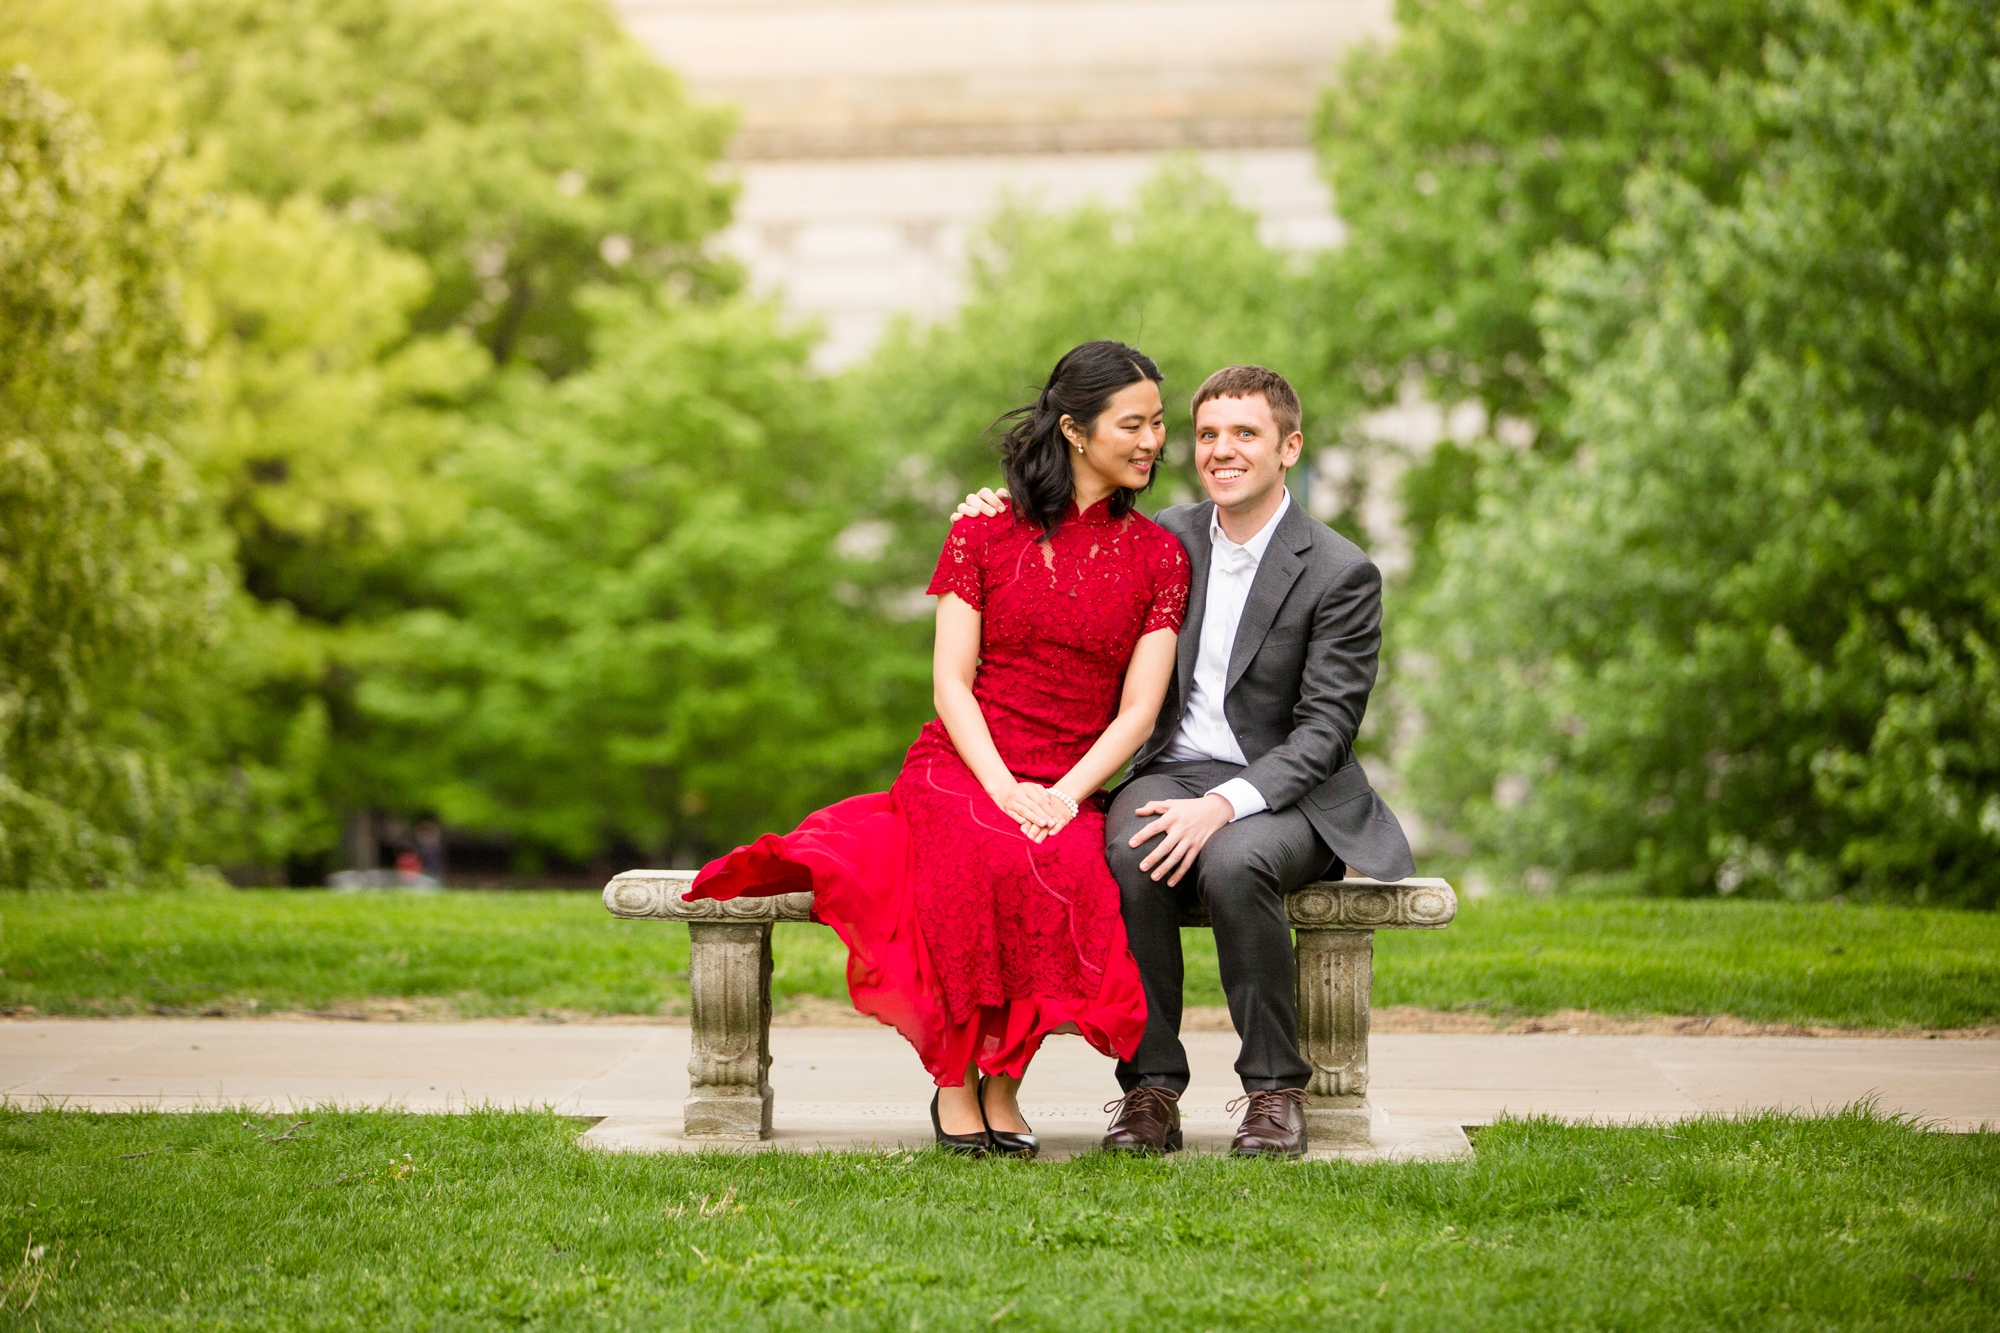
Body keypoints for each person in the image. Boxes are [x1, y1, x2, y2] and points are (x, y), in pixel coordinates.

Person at [687, 341, 1191, 1158]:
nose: (1151, 441)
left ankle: (1004, 1082)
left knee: (1059, 868)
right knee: (981, 858)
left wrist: (1063, 794)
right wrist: (1002, 787)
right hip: (963, 764)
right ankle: (955, 1082)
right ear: (1073, 429)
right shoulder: (983, 531)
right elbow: (950, 683)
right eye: (1132, 424)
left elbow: (1139, 709)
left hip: (1070, 774)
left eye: (1157, 423)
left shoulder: (1159, 557)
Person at [953, 365, 1415, 1159]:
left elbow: (1326, 730)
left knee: (1234, 862)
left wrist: (1226, 803)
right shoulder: (1167, 536)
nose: (1221, 450)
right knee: (1130, 849)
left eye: (1245, 434)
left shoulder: (1341, 571)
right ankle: (1150, 1087)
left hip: (1290, 794)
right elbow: (1069, 535)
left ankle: (1274, 1090)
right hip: (1173, 769)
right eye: (1206, 434)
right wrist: (992, 507)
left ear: (1288, 447)